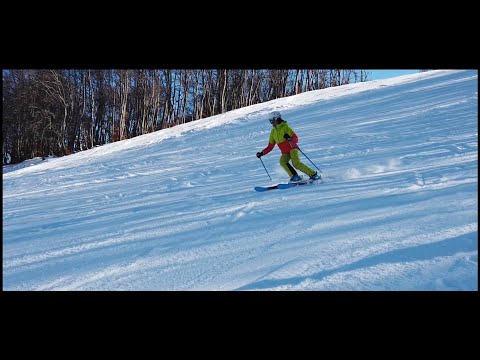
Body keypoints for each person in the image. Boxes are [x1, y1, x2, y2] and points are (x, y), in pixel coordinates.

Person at [256, 111, 320, 182]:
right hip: (285, 152)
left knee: (296, 163)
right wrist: (262, 153)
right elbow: (270, 146)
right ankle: (295, 176)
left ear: (277, 119)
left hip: (293, 148)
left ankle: (313, 174)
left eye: (272, 120)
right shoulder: (273, 132)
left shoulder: (286, 127)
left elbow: (295, 139)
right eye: (270, 121)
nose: (271, 123)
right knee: (282, 161)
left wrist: (289, 138)